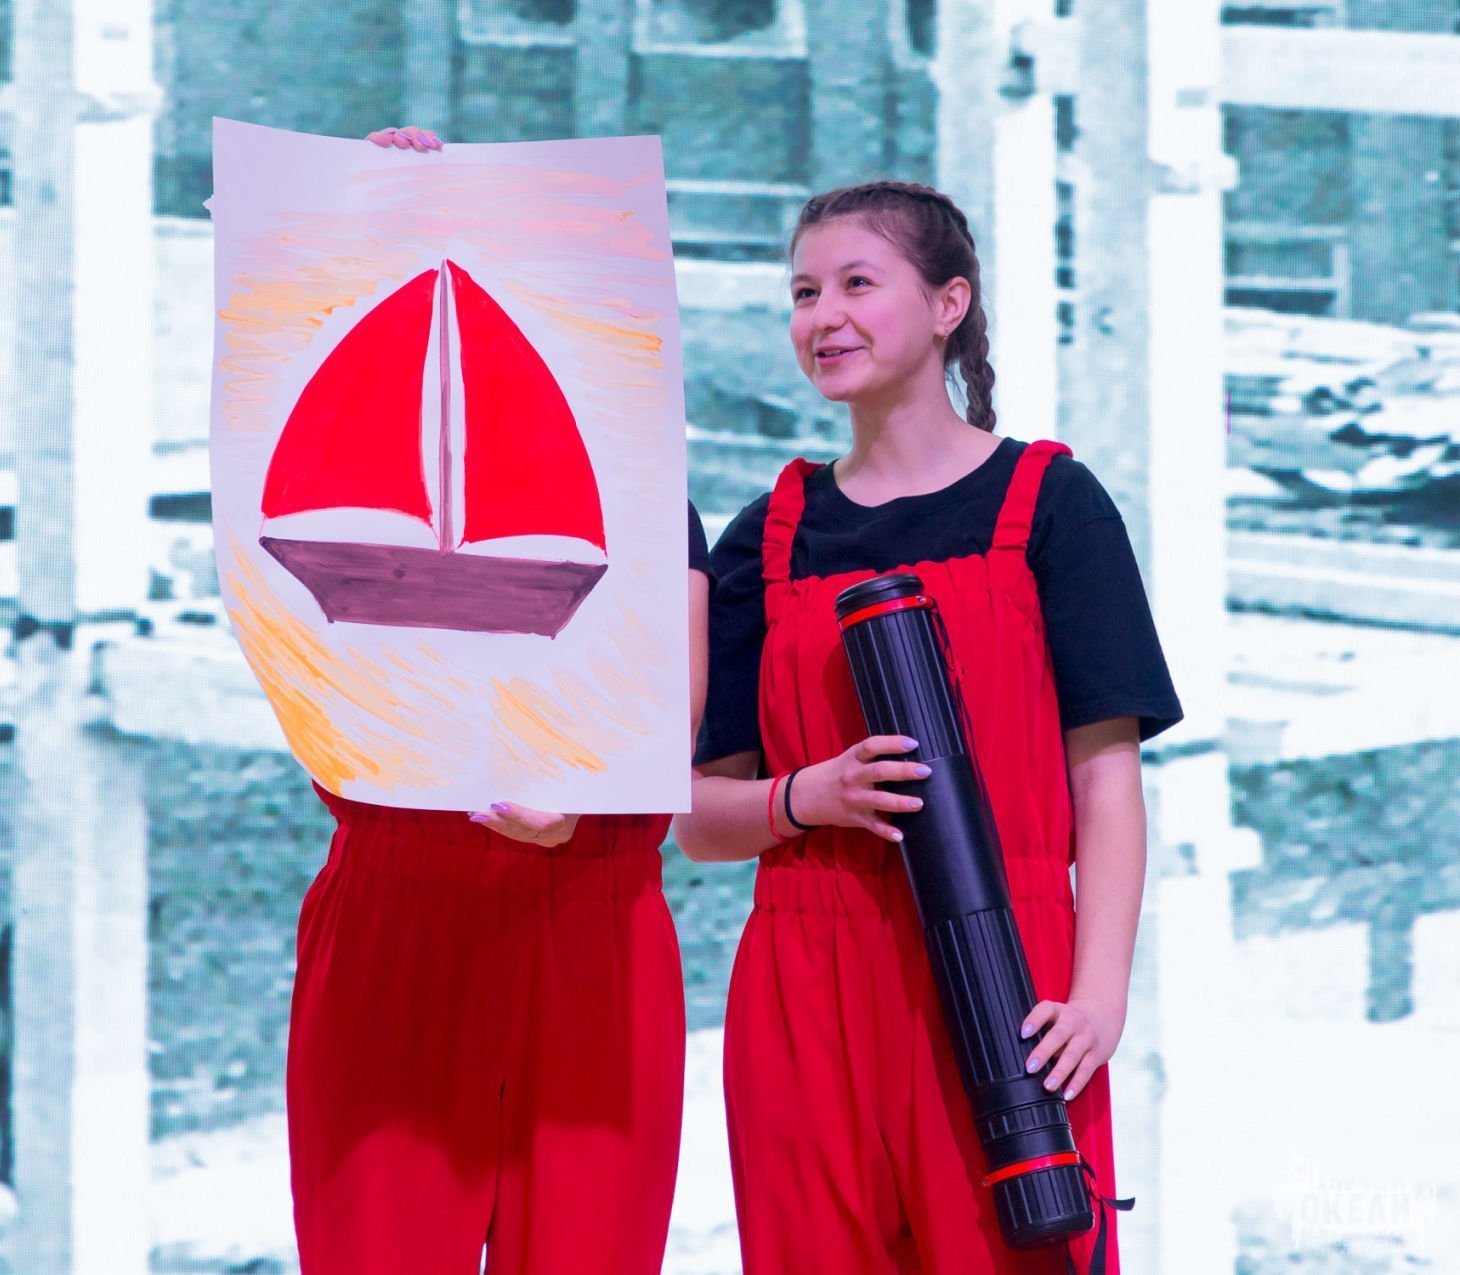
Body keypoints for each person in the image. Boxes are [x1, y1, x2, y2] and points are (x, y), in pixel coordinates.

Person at [674, 180, 1183, 1275]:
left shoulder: (1051, 504)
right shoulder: (763, 539)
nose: (824, 316)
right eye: (803, 293)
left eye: (857, 283)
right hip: (805, 988)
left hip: (1009, 981)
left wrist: (1098, 999)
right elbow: (698, 819)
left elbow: (1105, 785)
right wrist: (805, 796)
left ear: (949, 303)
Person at [284, 123, 711, 1275]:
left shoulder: (647, 492)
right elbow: (273, 390)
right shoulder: (349, 468)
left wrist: (590, 789)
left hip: (591, 914)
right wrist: (370, 212)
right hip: (395, 901)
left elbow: (669, 721)